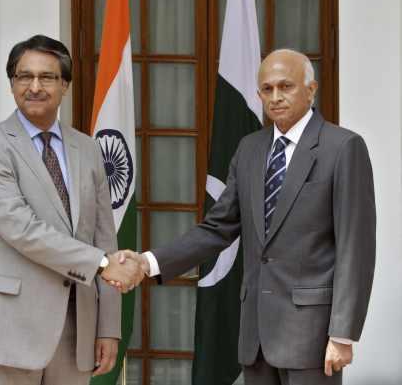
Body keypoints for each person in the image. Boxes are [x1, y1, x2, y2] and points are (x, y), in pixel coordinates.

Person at [116, 49, 376, 385]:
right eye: (267, 89)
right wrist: (147, 263)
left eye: (286, 86)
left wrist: (343, 334)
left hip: (313, 336)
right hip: (255, 335)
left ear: (311, 90)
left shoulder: (343, 148)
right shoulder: (250, 149)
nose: (276, 97)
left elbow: (356, 248)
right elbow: (217, 228)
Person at [0, 35, 143, 385]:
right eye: (23, 77)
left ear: (65, 85)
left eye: (46, 77)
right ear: (12, 84)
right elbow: (22, 230)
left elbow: (105, 235)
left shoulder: (88, 149)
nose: (34, 86)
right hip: (11, 328)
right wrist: (104, 265)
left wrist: (108, 327)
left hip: (78, 329)